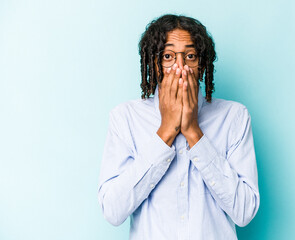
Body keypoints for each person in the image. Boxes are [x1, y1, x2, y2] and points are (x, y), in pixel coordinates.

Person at [97, 14, 260, 240]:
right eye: (168, 56)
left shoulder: (234, 117)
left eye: (190, 56)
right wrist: (166, 131)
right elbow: (113, 211)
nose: (180, 67)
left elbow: (244, 212)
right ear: (154, 64)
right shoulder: (125, 118)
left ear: (202, 64)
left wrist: (194, 132)